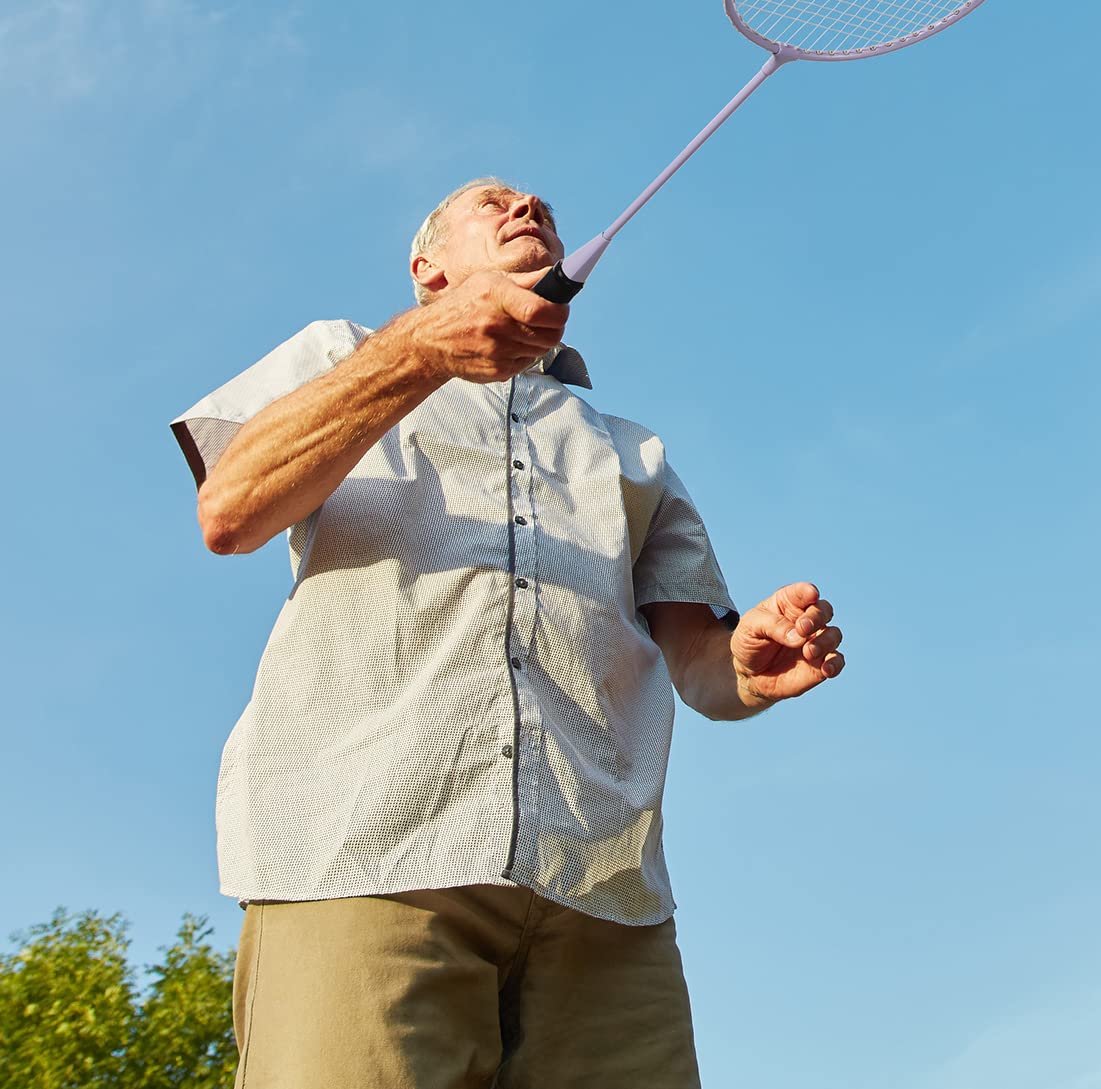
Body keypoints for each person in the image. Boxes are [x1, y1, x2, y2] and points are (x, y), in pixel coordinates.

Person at [171, 178, 845, 1089]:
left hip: (606, 902)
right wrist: (418, 353)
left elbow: (698, 662)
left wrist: (747, 668)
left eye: (540, 206)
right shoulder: (341, 353)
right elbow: (231, 507)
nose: (527, 208)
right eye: (492, 203)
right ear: (428, 268)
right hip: (364, 854)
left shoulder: (633, 450)